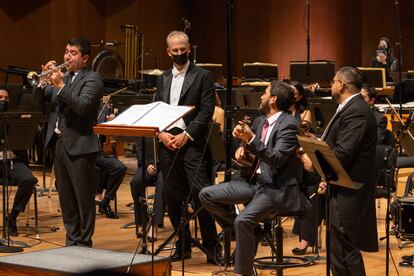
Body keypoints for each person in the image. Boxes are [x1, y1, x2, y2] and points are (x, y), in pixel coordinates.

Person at [200, 80, 310, 276]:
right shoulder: (260, 121)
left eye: (265, 93)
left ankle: (244, 273)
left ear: (273, 99)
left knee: (243, 221)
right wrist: (243, 151)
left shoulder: (289, 125)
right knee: (206, 194)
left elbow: (275, 159)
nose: (261, 97)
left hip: (275, 188)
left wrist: (251, 140)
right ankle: (253, 233)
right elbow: (257, 156)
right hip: (253, 182)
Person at [155, 31, 217, 262]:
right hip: (167, 143)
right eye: (175, 50)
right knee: (173, 197)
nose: (179, 53)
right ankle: (183, 244)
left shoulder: (203, 76)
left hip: (192, 145)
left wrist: (187, 135)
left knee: (202, 195)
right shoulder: (162, 78)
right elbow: (157, 108)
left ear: (189, 48)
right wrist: (160, 133)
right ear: (168, 51)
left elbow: (206, 110)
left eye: (183, 49)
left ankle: (212, 246)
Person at [318, 67, 378, 275]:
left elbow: (343, 152)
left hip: (350, 190)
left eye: (334, 81)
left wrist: (315, 160)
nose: (331, 85)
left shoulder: (357, 111)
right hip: (340, 185)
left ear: (342, 84)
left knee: (345, 248)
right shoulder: (349, 108)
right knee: (338, 249)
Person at [44, 38, 104, 247]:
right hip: (60, 144)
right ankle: (72, 241)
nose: (66, 56)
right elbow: (46, 99)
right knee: (66, 198)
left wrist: (59, 84)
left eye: (73, 53)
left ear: (85, 58)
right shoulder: (65, 77)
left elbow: (81, 106)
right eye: (66, 51)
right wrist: (45, 79)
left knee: (83, 198)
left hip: (81, 147)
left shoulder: (93, 79)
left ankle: (85, 242)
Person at [0, 88, 38, 237]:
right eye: (0, 98)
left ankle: (12, 217)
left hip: (12, 161)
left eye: (6, 98)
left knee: (29, 180)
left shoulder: (15, 119)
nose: (3, 101)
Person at [94, 99, 127, 219]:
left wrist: (111, 122)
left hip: (98, 152)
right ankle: (96, 194)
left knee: (119, 167)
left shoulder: (101, 107)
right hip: (83, 152)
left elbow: (103, 127)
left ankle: (106, 201)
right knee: (100, 169)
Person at [130, 137, 164, 241]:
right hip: (148, 164)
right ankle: (144, 220)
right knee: (135, 182)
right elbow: (139, 148)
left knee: (162, 184)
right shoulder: (146, 122)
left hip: (165, 165)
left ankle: (154, 223)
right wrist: (147, 164)